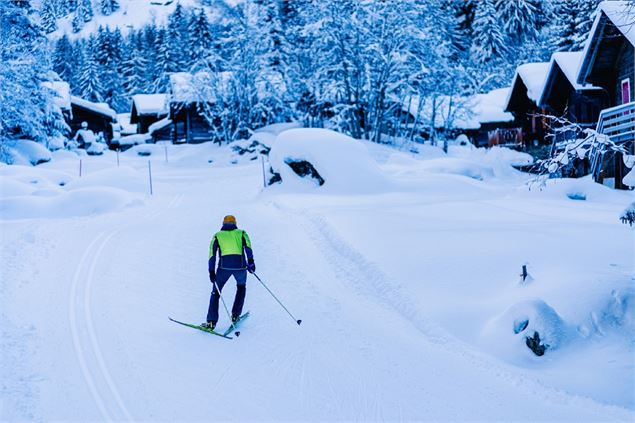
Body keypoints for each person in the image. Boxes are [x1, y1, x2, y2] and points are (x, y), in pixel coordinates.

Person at [203, 215, 256, 330]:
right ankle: (235, 315)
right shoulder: (241, 233)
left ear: (223, 223)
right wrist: (251, 263)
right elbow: (248, 247)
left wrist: (211, 271)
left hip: (223, 268)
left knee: (215, 292)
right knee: (241, 288)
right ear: (235, 223)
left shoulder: (217, 235)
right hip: (240, 268)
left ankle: (211, 322)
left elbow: (212, 253)